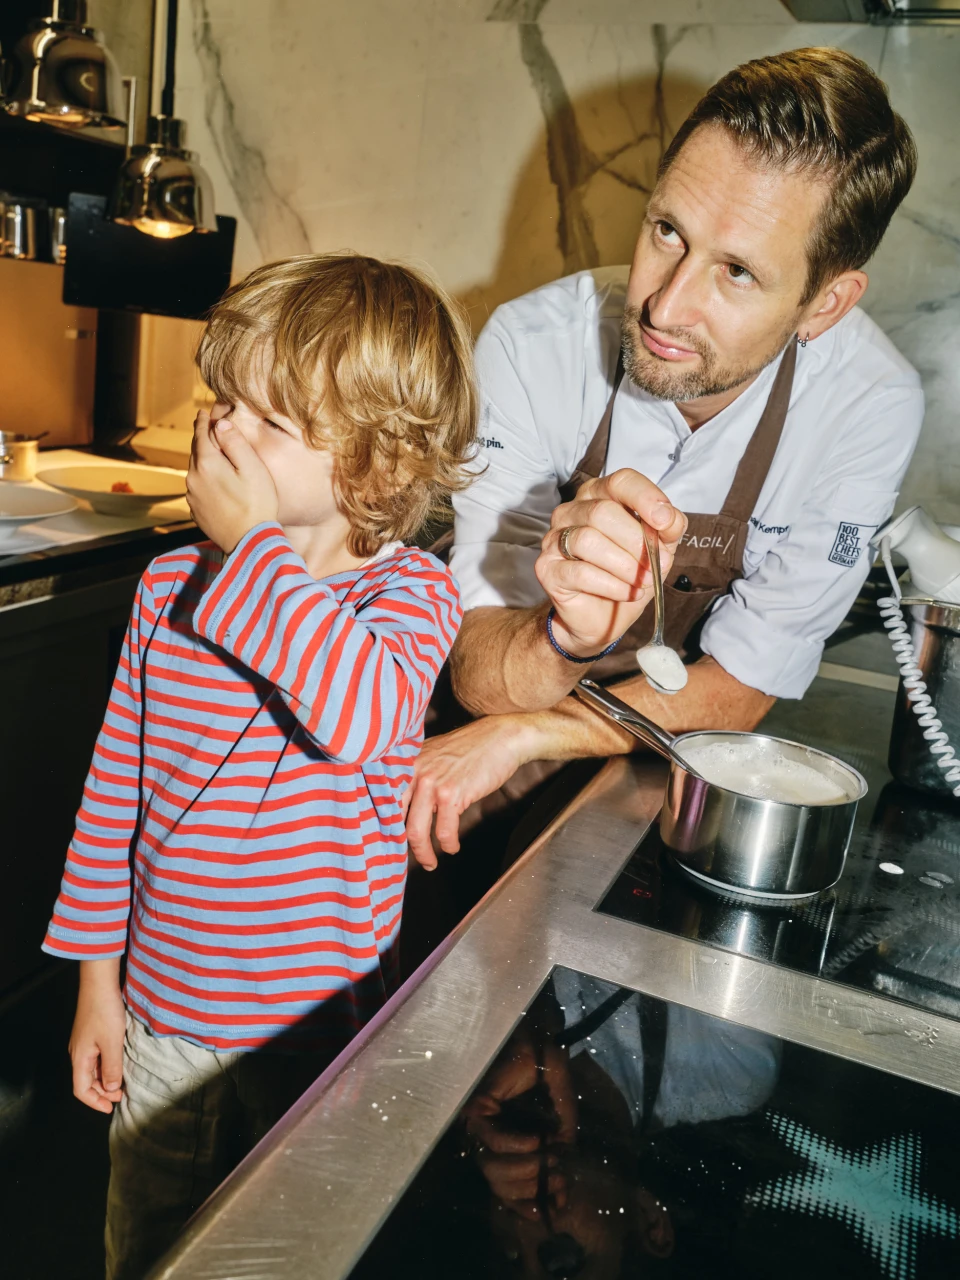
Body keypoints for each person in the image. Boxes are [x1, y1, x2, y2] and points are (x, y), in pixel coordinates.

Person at [41, 253, 478, 1280]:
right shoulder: (166, 590)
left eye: (268, 424)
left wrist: (249, 559)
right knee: (150, 1244)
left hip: (316, 1028)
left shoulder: (408, 599)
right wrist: (94, 988)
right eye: (220, 401)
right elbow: (111, 804)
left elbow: (364, 716)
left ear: (378, 464)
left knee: (289, 1252)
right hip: (161, 1013)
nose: (221, 434)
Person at [403, 47, 925, 876]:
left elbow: (745, 685)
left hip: (650, 761)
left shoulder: (867, 406)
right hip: (451, 736)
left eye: (739, 272)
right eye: (668, 230)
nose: (665, 306)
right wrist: (561, 639)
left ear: (824, 304)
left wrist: (536, 731)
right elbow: (474, 669)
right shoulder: (536, 345)